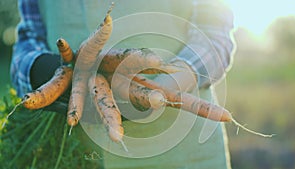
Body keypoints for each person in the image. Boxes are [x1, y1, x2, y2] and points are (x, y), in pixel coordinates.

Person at [11, 0, 235, 168]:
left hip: (183, 151)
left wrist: (165, 87)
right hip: (70, 148)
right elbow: (28, 41)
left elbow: (214, 35)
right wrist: (49, 74)